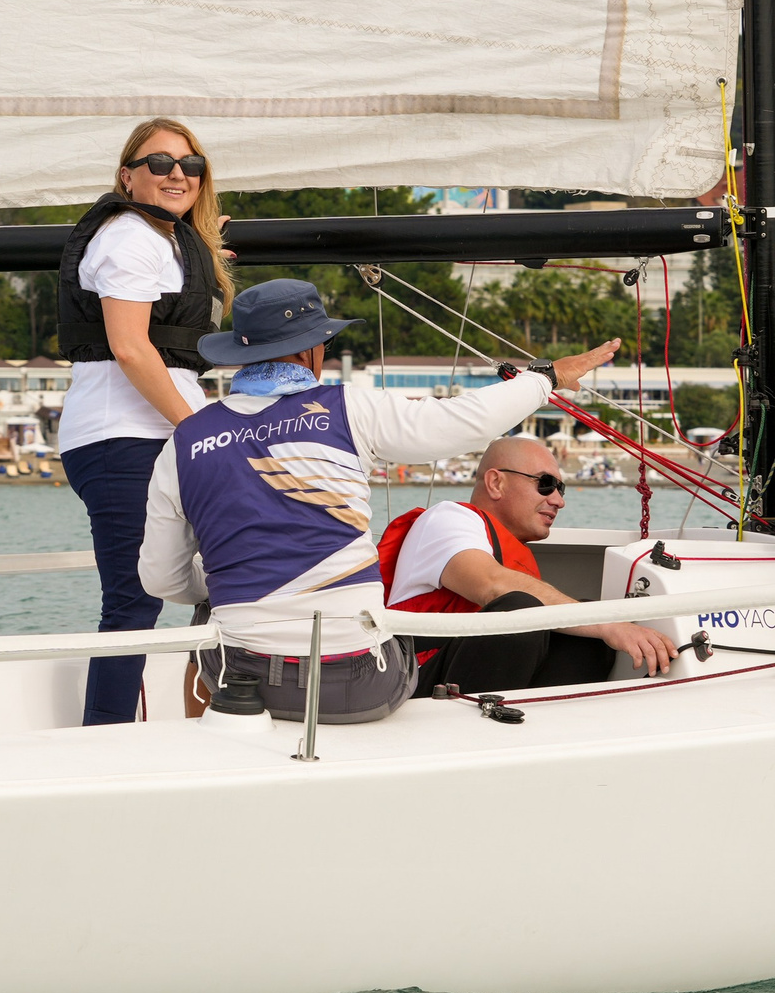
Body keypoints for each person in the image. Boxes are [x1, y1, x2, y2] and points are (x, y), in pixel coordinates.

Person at [138, 277, 622, 723]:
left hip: (243, 684)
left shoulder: (184, 441)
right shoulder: (346, 408)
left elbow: (161, 578)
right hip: (357, 686)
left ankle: (210, 720)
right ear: (310, 351)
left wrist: (230, 577)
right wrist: (546, 378)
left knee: (214, 599)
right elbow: (462, 421)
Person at [55, 118, 231, 725]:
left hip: (155, 436)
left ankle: (212, 716)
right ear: (127, 176)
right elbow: (130, 347)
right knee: (132, 601)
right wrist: (201, 429)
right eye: (159, 164)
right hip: (122, 437)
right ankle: (103, 742)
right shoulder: (128, 238)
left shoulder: (164, 240)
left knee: (216, 576)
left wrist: (200, 249)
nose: (177, 174)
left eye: (191, 165)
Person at [380, 434, 677, 694]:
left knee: (586, 637)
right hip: (412, 683)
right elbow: (491, 584)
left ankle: (540, 730)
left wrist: (603, 628)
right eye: (546, 484)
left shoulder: (508, 548)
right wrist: (608, 624)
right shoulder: (447, 518)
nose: (559, 500)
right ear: (496, 483)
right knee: (521, 610)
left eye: (561, 489)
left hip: (470, 678)